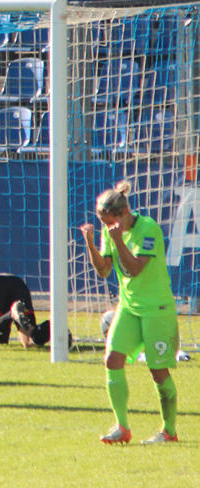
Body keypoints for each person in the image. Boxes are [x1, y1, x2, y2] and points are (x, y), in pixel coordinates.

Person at [81, 180, 180, 445]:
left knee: (158, 372)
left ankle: (169, 431)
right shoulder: (109, 231)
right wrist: (91, 243)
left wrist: (117, 240)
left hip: (156, 310)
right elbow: (103, 270)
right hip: (128, 308)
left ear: (124, 212)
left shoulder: (149, 229)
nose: (107, 226)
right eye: (102, 222)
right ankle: (122, 427)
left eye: (110, 221)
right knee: (112, 360)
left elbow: (135, 268)